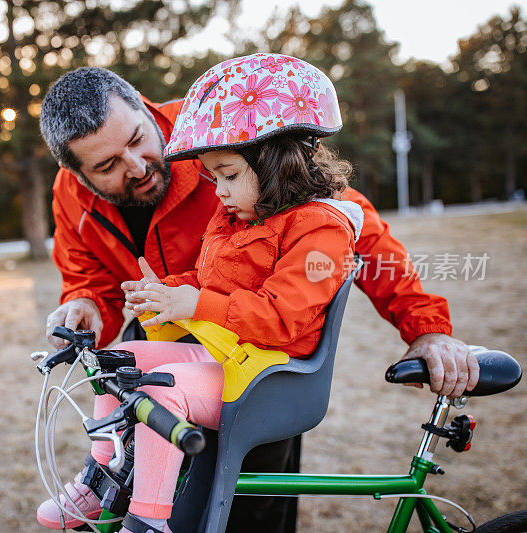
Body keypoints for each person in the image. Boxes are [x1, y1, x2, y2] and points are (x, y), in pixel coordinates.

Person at [37, 55, 478, 532]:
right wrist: (83, 303)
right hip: (171, 331)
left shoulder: (227, 131)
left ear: (143, 107)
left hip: (256, 347)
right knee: (146, 468)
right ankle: (108, 488)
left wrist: (426, 329)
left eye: (138, 140)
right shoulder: (70, 196)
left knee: (250, 504)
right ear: (79, 175)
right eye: (107, 165)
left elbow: (355, 231)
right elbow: (89, 279)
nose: (138, 166)